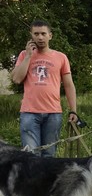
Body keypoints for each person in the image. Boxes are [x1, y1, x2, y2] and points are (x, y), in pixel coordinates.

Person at [10, 20, 78, 157]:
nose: (40, 37)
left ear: (50, 36)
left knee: (49, 155)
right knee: (30, 157)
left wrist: (73, 110)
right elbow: (17, 79)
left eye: (43, 33)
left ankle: (47, 180)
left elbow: (69, 85)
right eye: (36, 34)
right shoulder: (24, 55)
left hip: (53, 113)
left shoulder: (61, 57)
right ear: (31, 35)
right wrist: (29, 56)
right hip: (29, 113)